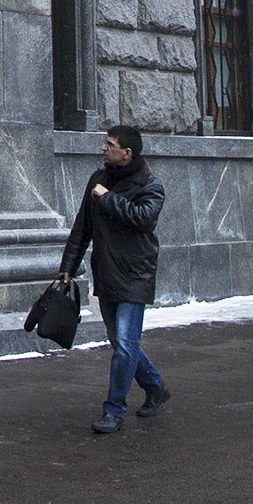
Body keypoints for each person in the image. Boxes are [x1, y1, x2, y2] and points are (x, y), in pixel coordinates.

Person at [57, 125, 168, 434]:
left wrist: (107, 198)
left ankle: (114, 410)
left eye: (110, 144)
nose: (103, 148)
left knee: (124, 345)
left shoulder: (150, 185)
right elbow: (83, 226)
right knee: (121, 342)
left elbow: (143, 218)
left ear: (127, 153)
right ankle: (156, 387)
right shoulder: (98, 179)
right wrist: (69, 265)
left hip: (135, 274)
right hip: (106, 273)